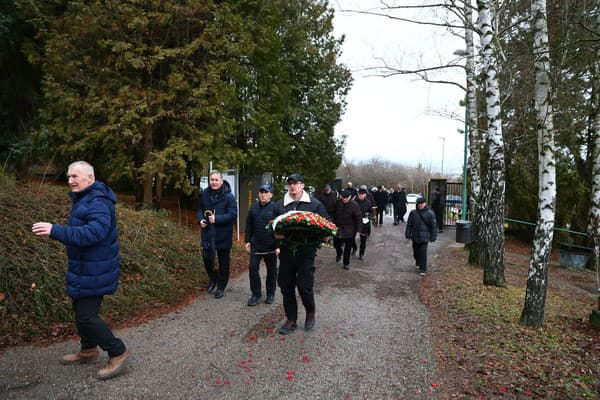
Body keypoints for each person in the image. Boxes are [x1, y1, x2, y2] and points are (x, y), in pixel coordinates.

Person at [31, 161, 130, 380]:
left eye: (75, 176)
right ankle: (88, 350)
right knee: (80, 311)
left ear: (90, 178)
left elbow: (93, 233)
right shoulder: (85, 198)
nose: (70, 181)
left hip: (96, 269)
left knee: (86, 316)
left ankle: (118, 351)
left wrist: (55, 230)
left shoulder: (98, 201)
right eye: (68, 176)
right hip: (84, 267)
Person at [272, 173, 330, 334]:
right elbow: (272, 226)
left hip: (306, 253)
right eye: (290, 183)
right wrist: (276, 237)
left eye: (296, 183)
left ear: (302, 185)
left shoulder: (314, 205)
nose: (293, 186)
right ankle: (291, 320)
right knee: (286, 287)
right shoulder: (279, 206)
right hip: (286, 254)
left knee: (305, 287)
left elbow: (327, 223)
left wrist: (325, 234)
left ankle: (310, 313)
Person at [198, 170, 238, 299]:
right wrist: (200, 219)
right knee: (207, 259)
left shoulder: (229, 197)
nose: (214, 182)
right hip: (208, 233)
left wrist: (218, 218)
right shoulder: (205, 194)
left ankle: (221, 286)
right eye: (212, 180)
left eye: (216, 180)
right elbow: (200, 209)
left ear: (221, 181)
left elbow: (233, 215)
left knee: (223, 262)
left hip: (223, 235)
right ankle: (213, 279)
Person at [244, 184, 277, 306]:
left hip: (271, 246)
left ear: (270, 195)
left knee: (272, 271)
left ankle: (270, 293)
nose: (263, 194)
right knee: (253, 269)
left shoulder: (275, 208)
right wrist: (247, 241)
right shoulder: (253, 208)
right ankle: (256, 294)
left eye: (266, 192)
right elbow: (248, 226)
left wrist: (278, 246)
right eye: (261, 192)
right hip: (256, 245)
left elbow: (279, 228)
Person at [405, 196, 437, 276]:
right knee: (416, 252)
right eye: (418, 203)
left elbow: (433, 226)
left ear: (425, 203)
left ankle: (423, 269)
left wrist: (433, 236)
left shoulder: (430, 213)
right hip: (415, 236)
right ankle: (418, 262)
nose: (420, 205)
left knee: (423, 252)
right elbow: (409, 224)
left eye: (421, 203)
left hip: (425, 237)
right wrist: (408, 233)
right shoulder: (413, 213)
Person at [332, 189, 362, 270]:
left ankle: (346, 263)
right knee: (336, 244)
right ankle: (339, 252)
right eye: (343, 197)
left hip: (350, 229)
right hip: (338, 227)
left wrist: (358, 231)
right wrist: (332, 224)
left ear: (350, 197)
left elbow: (358, 219)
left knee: (348, 247)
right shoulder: (338, 203)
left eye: (346, 198)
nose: (344, 199)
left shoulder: (354, 205)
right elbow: (334, 214)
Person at [354, 187, 373, 260]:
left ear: (365, 195)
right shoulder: (354, 201)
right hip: (354, 223)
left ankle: (361, 254)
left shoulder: (368, 202)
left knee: (363, 240)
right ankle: (354, 248)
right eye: (359, 194)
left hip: (364, 224)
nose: (360, 196)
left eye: (362, 194)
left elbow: (371, 212)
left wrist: (368, 218)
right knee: (351, 238)